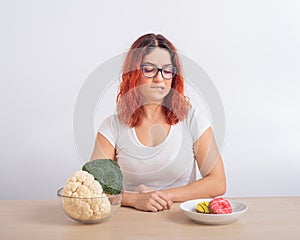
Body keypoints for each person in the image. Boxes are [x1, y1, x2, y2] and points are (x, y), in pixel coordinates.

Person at [90, 33, 226, 212]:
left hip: (181, 223)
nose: (159, 78)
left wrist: (163, 196)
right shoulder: (112, 126)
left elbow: (217, 182)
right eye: (149, 69)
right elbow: (93, 188)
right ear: (134, 74)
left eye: (167, 70)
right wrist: (134, 199)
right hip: (128, 224)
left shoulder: (192, 120)